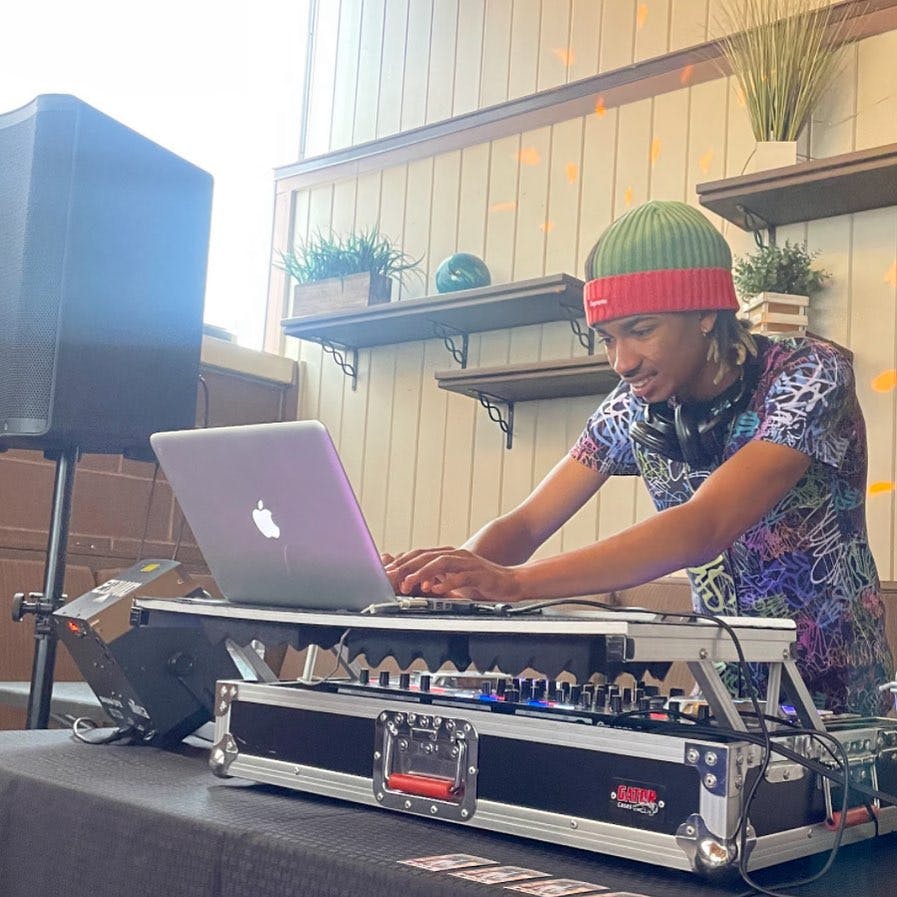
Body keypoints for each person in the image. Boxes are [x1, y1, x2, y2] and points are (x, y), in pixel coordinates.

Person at [385, 199, 894, 717]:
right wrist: (444, 582)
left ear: (704, 312)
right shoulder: (631, 406)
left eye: (641, 330)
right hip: (720, 699)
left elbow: (704, 525)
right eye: (607, 338)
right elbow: (525, 524)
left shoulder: (810, 374)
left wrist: (514, 584)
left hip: (840, 707)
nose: (622, 362)